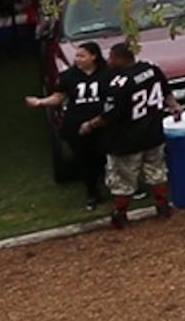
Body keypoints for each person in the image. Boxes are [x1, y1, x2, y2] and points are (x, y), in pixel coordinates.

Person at [96, 37, 174, 227]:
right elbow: (166, 93)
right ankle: (163, 206)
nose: (109, 62)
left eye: (112, 58)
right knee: (157, 171)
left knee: (122, 179)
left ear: (121, 59)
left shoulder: (119, 83)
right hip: (153, 133)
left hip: (127, 139)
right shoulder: (152, 69)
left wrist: (90, 125)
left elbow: (110, 114)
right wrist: (175, 106)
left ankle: (120, 214)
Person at [26, 40, 106, 198]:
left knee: (107, 156)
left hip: (104, 123)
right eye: (76, 56)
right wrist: (40, 102)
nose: (77, 59)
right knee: (84, 160)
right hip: (77, 126)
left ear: (94, 56)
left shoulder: (107, 73)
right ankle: (92, 193)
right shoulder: (69, 76)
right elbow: (59, 97)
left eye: (82, 56)